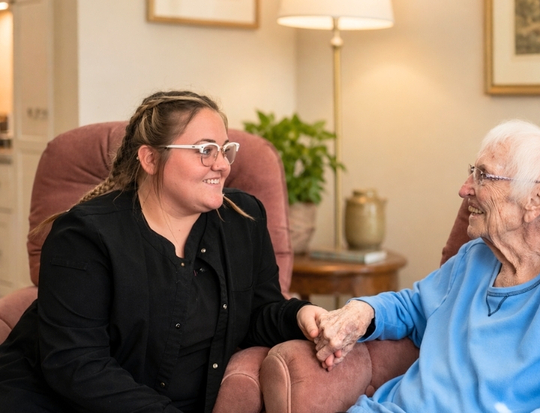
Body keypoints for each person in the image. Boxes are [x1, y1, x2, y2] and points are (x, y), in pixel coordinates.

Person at [0, 90, 326, 413]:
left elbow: (258, 311)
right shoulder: (84, 235)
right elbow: (77, 365)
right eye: (205, 150)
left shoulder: (242, 219)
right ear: (151, 159)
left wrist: (298, 315)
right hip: (55, 402)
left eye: (225, 150)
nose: (222, 165)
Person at [314, 120, 540, 412]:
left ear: (536, 199)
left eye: (483, 176)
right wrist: (361, 312)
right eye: (472, 172)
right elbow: (413, 307)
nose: (464, 189)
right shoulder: (476, 256)